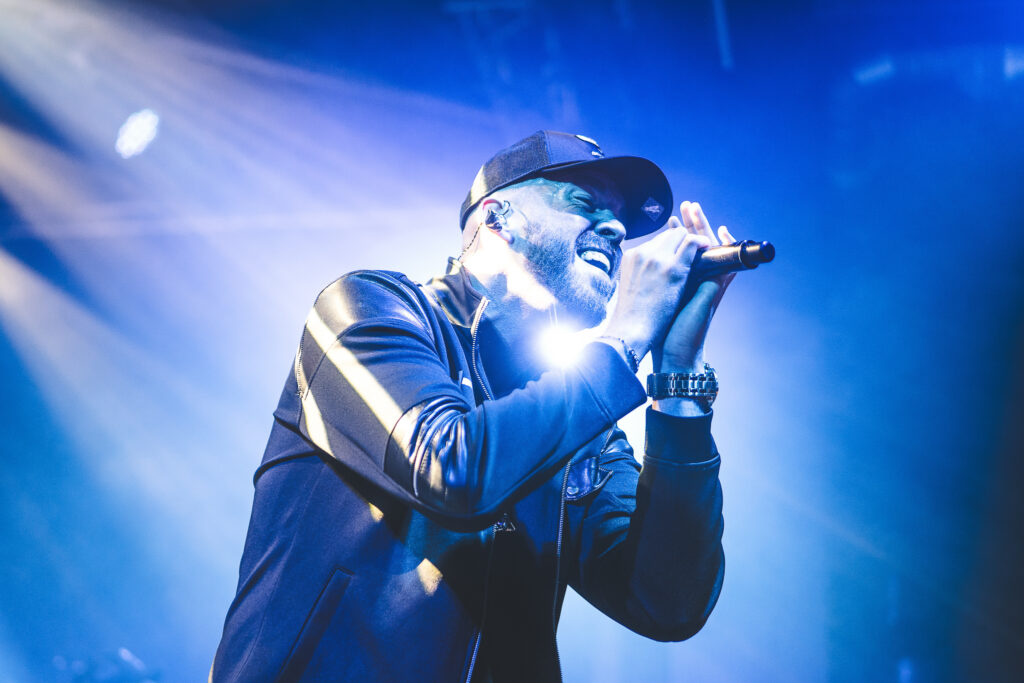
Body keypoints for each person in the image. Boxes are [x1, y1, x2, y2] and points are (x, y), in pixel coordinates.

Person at [212, 130, 733, 682]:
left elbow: (667, 602)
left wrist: (679, 376)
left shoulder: (585, 428)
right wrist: (626, 337)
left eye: (622, 219)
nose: (617, 229)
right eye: (585, 202)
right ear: (497, 216)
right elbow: (450, 469)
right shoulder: (368, 308)